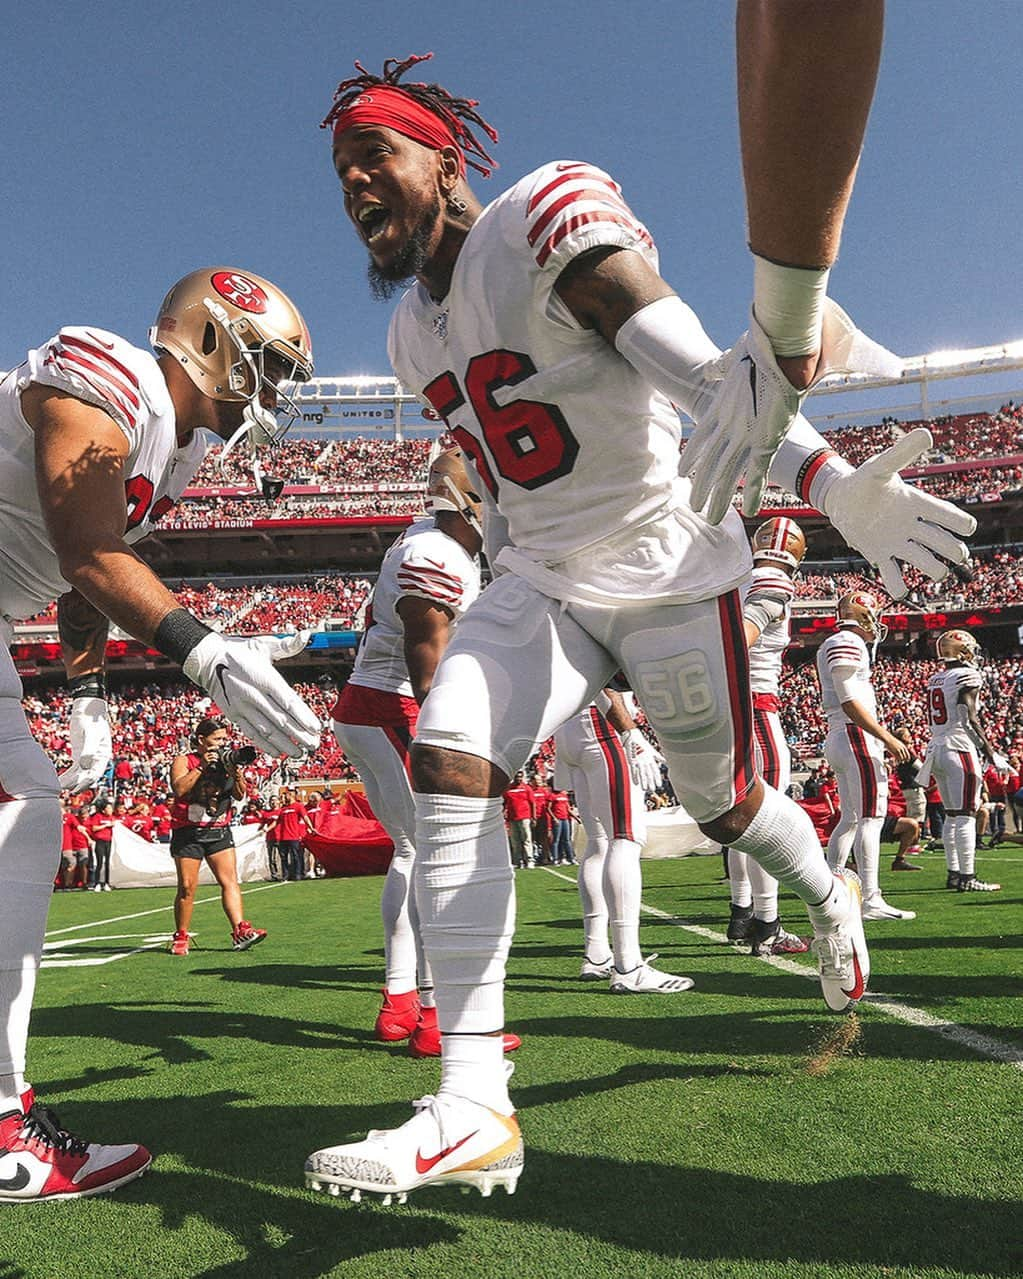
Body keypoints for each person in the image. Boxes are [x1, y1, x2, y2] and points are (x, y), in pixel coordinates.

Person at [307, 53, 974, 1203]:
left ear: (446, 156)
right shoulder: (417, 337)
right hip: (549, 578)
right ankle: (472, 1102)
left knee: (723, 805)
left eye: (375, 153)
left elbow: (699, 371)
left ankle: (826, 896)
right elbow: (501, 469)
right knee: (451, 746)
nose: (356, 183)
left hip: (670, 564)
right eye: (340, 170)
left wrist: (825, 482)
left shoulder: (540, 219)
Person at [0, 267, 321, 1200]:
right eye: (264, 366)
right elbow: (86, 552)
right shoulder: (114, 377)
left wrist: (90, 698)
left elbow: (87, 576)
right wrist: (204, 651)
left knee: (28, 799)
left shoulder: (173, 450)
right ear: (210, 341)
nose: (274, 393)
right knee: (23, 801)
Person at [332, 447, 516, 1057]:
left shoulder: (427, 539)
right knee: (442, 851)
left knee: (413, 851)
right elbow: (426, 667)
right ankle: (439, 1018)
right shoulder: (434, 554)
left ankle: (400, 1001)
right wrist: (461, 740)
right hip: (394, 705)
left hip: (372, 703)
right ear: (468, 501)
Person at [555, 689, 691, 992]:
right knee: (626, 836)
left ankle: (596, 952)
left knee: (598, 841)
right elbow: (606, 674)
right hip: (603, 722)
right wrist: (630, 732)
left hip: (570, 724)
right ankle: (628, 965)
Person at [725, 518, 810, 956]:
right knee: (766, 822)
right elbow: (743, 636)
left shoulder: (737, 573)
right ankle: (768, 924)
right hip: (755, 707)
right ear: (798, 550)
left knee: (741, 821)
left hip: (733, 709)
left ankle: (742, 914)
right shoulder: (772, 578)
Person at [817, 591, 914, 921]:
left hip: (841, 736)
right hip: (854, 736)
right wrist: (886, 737)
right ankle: (871, 897)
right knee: (871, 819)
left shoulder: (836, 642)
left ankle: (827, 888)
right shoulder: (848, 641)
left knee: (852, 818)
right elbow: (848, 700)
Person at [168, 717, 266, 956]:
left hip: (219, 830)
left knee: (230, 881)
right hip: (188, 833)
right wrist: (201, 766)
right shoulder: (185, 759)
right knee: (188, 887)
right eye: (217, 739)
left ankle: (240, 929)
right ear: (202, 740)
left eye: (224, 739)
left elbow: (240, 795)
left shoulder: (226, 761)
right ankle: (181, 935)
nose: (222, 743)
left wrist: (237, 773)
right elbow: (179, 789)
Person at [919, 630, 1003, 892]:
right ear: (962, 650)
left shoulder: (936, 678)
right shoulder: (967, 675)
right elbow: (967, 716)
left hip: (937, 750)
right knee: (966, 815)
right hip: (959, 748)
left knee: (953, 815)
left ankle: (954, 874)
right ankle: (967, 877)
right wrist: (991, 752)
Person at [275, 787, 314, 882]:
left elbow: (305, 817)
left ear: (291, 795)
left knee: (296, 856)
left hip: (293, 836)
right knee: (283, 857)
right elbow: (277, 822)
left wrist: (311, 827)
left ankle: (298, 874)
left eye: (286, 795)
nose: (284, 797)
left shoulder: (298, 806)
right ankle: (285, 875)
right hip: (283, 837)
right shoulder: (283, 809)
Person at [502, 771, 536, 870]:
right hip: (512, 818)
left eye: (521, 777)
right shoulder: (508, 788)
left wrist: (533, 817)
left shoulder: (527, 788)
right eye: (517, 777)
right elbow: (504, 802)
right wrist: (503, 813)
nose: (519, 779)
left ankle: (529, 860)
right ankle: (518, 860)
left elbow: (532, 803)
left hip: (525, 817)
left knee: (527, 839)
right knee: (515, 841)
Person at [88, 798, 116, 891]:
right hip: (100, 842)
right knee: (99, 862)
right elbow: (94, 828)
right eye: (109, 808)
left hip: (108, 841)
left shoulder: (112, 818)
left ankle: (106, 883)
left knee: (107, 862)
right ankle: (97, 883)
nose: (111, 810)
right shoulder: (98, 817)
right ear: (104, 810)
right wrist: (105, 826)